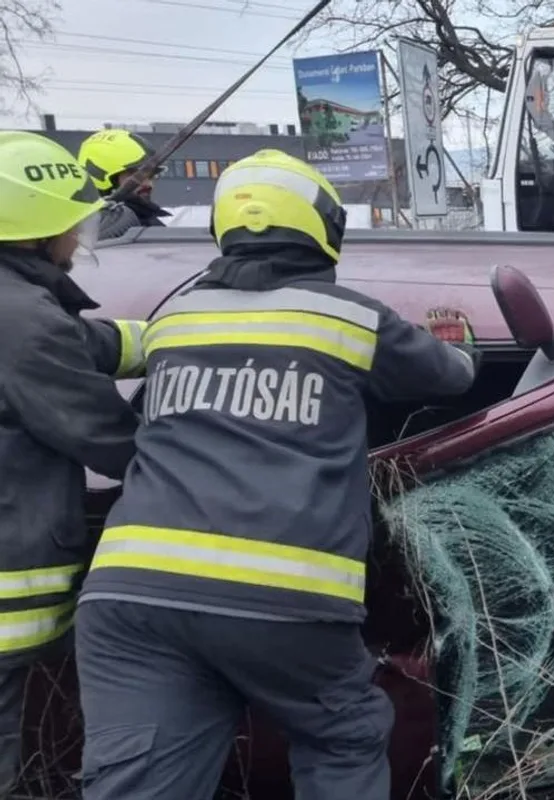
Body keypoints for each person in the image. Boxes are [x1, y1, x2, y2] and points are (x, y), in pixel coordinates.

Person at [72, 148, 481, 800]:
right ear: (324, 228)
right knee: (342, 737)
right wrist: (460, 341)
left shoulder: (175, 320)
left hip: (131, 595)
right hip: (283, 597)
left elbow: (148, 427)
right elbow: (451, 377)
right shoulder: (351, 319)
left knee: (141, 781)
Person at [0, 131, 147, 795]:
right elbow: (107, 436)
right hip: (11, 577)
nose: (81, 235)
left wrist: (182, 336)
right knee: (14, 757)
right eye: (72, 220)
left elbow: (86, 341)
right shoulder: (23, 319)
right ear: (39, 232)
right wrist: (203, 459)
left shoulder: (21, 305)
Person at [77, 128, 172, 238]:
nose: (149, 184)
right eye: (135, 175)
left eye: (151, 175)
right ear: (99, 176)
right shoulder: (80, 235)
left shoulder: (152, 227)